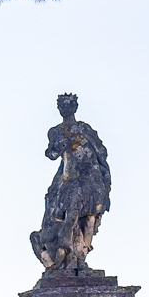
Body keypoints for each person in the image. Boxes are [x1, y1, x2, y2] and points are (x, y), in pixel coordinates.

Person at [29, 93, 111, 272]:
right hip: (70, 178)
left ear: (75, 107)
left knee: (90, 218)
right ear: (59, 109)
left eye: (69, 104)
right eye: (62, 105)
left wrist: (106, 181)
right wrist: (61, 144)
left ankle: (79, 256)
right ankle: (67, 255)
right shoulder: (56, 131)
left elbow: (101, 152)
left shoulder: (84, 129)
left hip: (91, 177)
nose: (65, 108)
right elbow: (51, 154)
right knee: (65, 214)